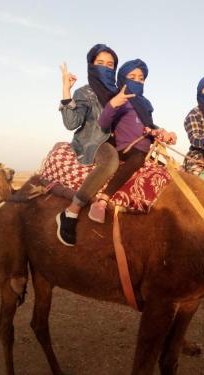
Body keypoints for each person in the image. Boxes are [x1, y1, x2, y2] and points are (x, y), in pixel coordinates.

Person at [56, 43, 121, 247]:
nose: (106, 67)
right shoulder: (86, 93)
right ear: (91, 66)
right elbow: (71, 123)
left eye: (110, 64)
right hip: (94, 141)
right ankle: (72, 211)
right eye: (100, 63)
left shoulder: (120, 92)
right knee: (110, 162)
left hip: (120, 141)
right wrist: (66, 89)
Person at [97, 59, 176, 219]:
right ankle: (103, 199)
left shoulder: (144, 103)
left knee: (168, 172)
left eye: (141, 78)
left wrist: (165, 133)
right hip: (126, 149)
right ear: (122, 79)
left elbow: (149, 125)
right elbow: (104, 124)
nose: (137, 81)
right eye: (132, 77)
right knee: (137, 159)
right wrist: (113, 104)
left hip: (145, 150)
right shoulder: (119, 99)